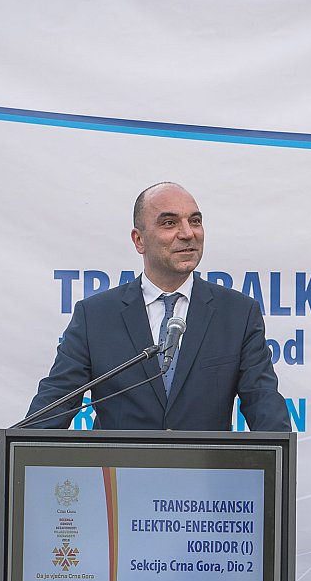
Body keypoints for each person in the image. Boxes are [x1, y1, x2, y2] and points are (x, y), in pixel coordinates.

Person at [25, 182, 289, 431]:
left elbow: (265, 408)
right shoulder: (95, 317)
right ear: (139, 240)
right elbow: (51, 410)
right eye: (169, 223)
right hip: (118, 465)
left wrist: (280, 456)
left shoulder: (238, 314)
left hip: (205, 465)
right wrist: (23, 448)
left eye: (195, 221)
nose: (187, 233)